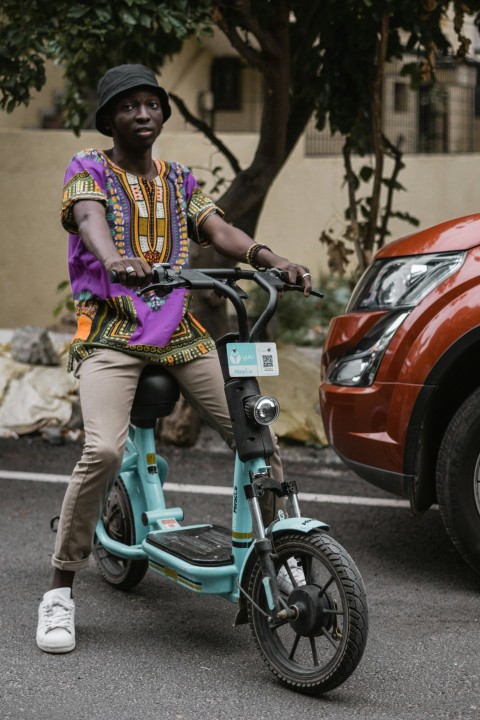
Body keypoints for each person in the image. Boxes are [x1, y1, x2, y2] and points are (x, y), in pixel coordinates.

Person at [36, 64, 312, 654]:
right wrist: (113, 259)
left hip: (178, 334)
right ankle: (60, 587)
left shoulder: (179, 179)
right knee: (104, 447)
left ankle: (281, 553)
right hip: (109, 331)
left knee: (255, 432)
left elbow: (220, 229)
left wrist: (272, 258)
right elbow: (88, 221)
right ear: (109, 118)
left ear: (163, 114)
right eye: (129, 106)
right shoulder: (88, 169)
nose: (142, 114)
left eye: (151, 105)